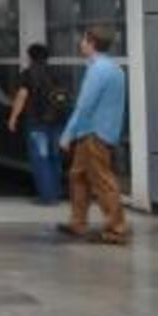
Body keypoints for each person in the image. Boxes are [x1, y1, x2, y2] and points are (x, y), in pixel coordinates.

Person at [57, 26, 128, 244]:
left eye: (84, 40)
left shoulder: (98, 70)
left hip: (93, 133)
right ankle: (77, 222)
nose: (81, 44)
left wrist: (67, 134)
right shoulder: (115, 69)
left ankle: (116, 229)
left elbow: (84, 106)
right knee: (78, 175)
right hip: (101, 131)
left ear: (92, 43)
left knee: (102, 180)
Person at [7, 44, 68, 205]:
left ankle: (47, 197)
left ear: (30, 57)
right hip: (58, 122)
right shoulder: (57, 74)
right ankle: (56, 193)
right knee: (55, 157)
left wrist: (13, 117)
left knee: (41, 159)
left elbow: (22, 96)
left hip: (37, 123)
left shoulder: (27, 74)